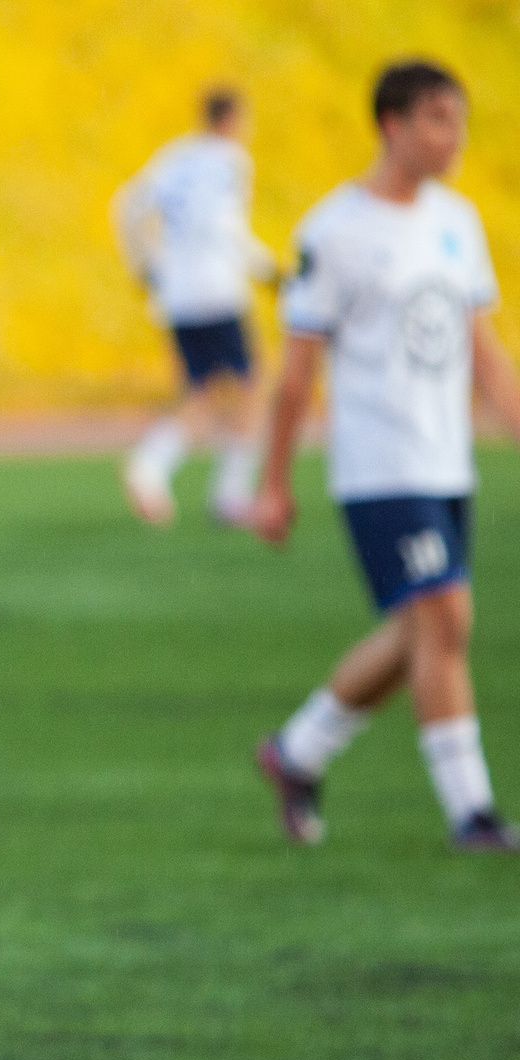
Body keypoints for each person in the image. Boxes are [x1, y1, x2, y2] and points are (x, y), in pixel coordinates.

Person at [251, 59, 520, 853]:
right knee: (445, 616)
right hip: (379, 465)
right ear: (390, 124)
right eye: (436, 119)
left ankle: (297, 752)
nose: (452, 137)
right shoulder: (334, 231)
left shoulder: (457, 220)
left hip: (446, 461)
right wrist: (274, 483)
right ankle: (472, 813)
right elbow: (295, 376)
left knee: (422, 634)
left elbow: (483, 348)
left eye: (458, 120)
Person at [113, 85, 277, 527]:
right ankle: (230, 494)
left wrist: (144, 267)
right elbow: (224, 226)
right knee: (250, 387)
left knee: (202, 391)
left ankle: (150, 466)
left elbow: (126, 205)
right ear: (234, 120)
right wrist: (267, 269)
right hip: (218, 288)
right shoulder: (230, 159)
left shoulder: (175, 156)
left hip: (177, 291)